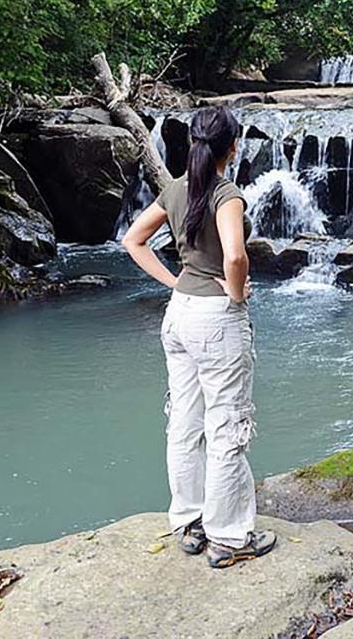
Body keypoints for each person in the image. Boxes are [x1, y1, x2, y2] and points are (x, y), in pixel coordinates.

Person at [121, 105, 276, 569]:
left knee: (185, 423)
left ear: (192, 143)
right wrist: (235, 295)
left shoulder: (176, 189)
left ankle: (188, 523)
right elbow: (235, 257)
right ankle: (228, 538)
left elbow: (133, 240)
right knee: (226, 427)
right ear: (233, 146)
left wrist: (173, 283)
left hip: (179, 315)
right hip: (215, 318)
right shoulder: (226, 195)